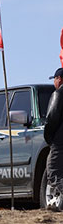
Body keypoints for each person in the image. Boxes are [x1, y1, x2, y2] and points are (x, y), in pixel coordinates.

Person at [45, 67, 63, 211]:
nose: (54, 83)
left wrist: (49, 136)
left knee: (53, 171)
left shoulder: (59, 93)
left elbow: (52, 117)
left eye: (55, 79)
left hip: (60, 140)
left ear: (59, 79)